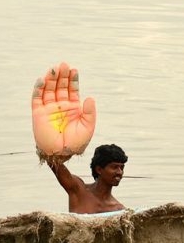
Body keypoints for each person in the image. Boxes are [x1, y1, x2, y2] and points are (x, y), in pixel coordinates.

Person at [31, 62, 127, 214]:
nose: (120, 172)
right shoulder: (78, 189)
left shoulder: (119, 210)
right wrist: (50, 143)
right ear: (99, 169)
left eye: (122, 167)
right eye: (114, 167)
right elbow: (52, 161)